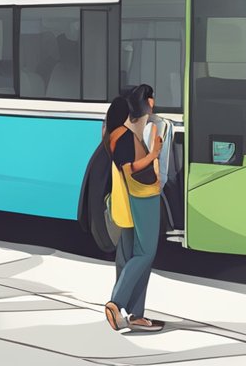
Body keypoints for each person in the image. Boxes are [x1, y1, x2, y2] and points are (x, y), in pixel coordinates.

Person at [104, 84, 166, 334]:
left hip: (129, 199)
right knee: (145, 253)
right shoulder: (125, 136)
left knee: (128, 255)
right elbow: (130, 168)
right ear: (147, 103)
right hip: (143, 196)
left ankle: (135, 314)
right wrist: (154, 154)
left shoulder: (116, 133)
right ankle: (116, 303)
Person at [102, 95, 131, 278]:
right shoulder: (123, 142)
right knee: (127, 258)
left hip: (116, 211)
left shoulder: (109, 141)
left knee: (123, 258)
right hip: (125, 210)